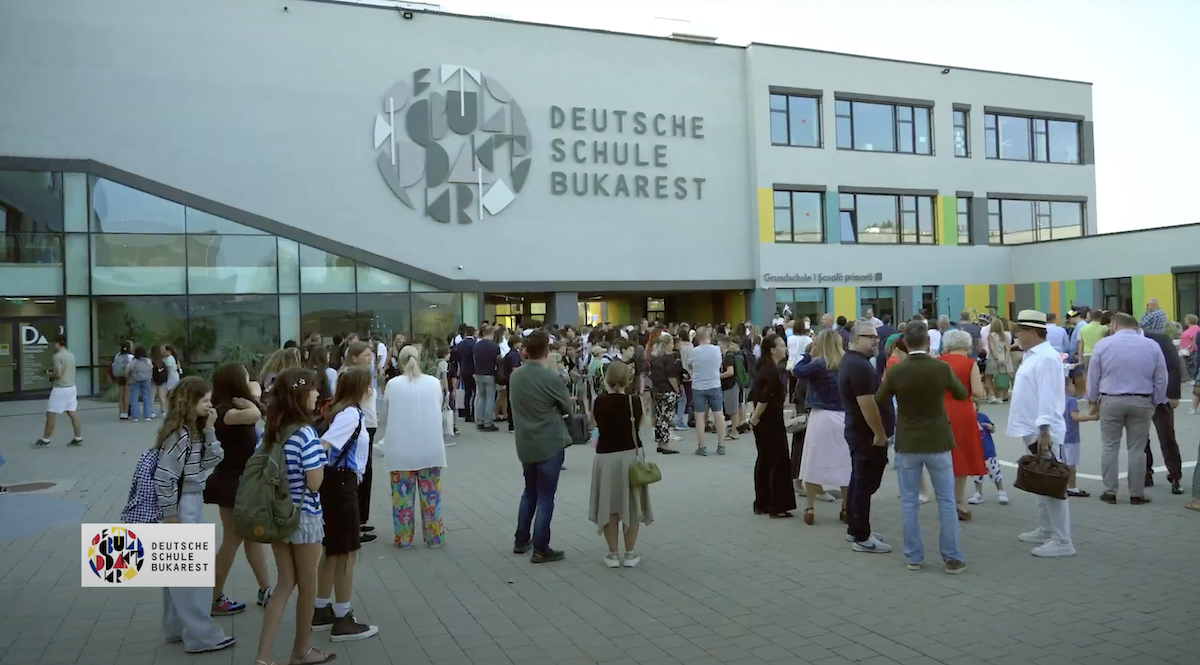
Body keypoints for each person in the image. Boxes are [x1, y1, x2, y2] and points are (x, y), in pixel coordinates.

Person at [254, 367, 335, 665]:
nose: (317, 394)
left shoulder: (270, 432)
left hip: (276, 515)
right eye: (312, 389)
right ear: (301, 395)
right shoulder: (306, 434)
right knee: (308, 585)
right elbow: (314, 483)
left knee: (284, 583)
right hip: (304, 517)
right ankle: (301, 651)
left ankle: (263, 657)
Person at [876, 321, 968, 574]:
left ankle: (913, 556)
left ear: (905, 343)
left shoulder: (897, 370)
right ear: (928, 341)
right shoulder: (940, 368)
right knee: (946, 500)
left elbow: (880, 398)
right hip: (938, 439)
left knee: (909, 502)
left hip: (908, 441)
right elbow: (961, 393)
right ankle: (952, 557)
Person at [151, 376, 233, 654]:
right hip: (183, 504)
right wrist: (171, 517)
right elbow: (164, 478)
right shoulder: (181, 435)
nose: (211, 405)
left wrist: (209, 429)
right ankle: (202, 636)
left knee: (177, 571)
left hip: (188, 501)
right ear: (190, 402)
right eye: (205, 400)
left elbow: (213, 459)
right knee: (191, 576)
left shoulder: (190, 431)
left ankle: (177, 628)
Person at [312, 366, 379, 641]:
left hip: (335, 483)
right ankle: (342, 617)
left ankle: (320, 610)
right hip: (342, 484)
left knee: (333, 550)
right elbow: (324, 444)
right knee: (347, 552)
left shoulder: (341, 410)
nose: (372, 389)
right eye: (368, 385)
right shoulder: (350, 414)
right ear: (360, 388)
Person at [204, 363, 271, 616]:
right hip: (234, 483)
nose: (249, 379)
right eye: (244, 376)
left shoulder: (231, 408)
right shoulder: (227, 412)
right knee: (232, 540)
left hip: (241, 481)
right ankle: (213, 597)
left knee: (251, 537)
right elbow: (256, 414)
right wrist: (253, 400)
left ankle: (265, 589)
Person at [1008, 310, 1076, 557]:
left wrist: (1044, 430)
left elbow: (1049, 396)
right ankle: (1047, 529)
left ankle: (1063, 541)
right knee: (1040, 479)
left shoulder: (1046, 358)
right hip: (1032, 428)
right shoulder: (1033, 355)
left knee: (1052, 483)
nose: (1016, 334)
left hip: (1042, 430)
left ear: (1033, 332)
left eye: (1020, 330)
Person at [1087, 312, 1166, 505]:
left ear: (1114, 325)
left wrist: (1092, 401)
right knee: (1137, 449)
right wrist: (1156, 400)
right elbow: (1161, 377)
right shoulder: (1151, 345)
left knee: (1109, 446)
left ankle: (1110, 491)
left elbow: (1093, 375)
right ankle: (1136, 493)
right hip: (1142, 400)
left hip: (1111, 400)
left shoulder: (1103, 345)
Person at [509, 331, 571, 563]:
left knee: (529, 491)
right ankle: (541, 547)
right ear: (546, 351)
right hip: (549, 441)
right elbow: (567, 407)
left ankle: (521, 539)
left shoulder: (516, 376)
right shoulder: (550, 377)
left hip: (525, 442)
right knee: (546, 496)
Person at [588, 360, 654, 567]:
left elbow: (593, 422)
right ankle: (631, 553)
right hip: (630, 457)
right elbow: (642, 424)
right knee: (632, 505)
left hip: (605, 458)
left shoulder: (599, 401)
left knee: (608, 506)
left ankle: (613, 553)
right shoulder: (634, 401)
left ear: (606, 379)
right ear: (628, 380)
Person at [383, 346, 448, 549]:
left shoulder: (393, 384)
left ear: (401, 362)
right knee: (431, 497)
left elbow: (387, 412)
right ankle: (434, 537)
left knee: (402, 500)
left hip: (400, 450)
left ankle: (404, 539)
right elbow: (440, 405)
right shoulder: (434, 383)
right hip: (430, 448)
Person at [840, 322, 894, 553]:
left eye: (876, 337)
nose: (875, 340)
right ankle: (862, 536)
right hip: (866, 433)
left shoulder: (856, 362)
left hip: (860, 431)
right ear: (855, 338)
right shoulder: (859, 366)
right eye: (870, 337)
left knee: (859, 480)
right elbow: (867, 403)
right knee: (865, 483)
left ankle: (856, 528)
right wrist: (879, 433)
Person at [793, 330, 852, 525]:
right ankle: (846, 508)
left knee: (813, 461)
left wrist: (808, 354)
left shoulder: (819, 364)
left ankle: (810, 507)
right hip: (843, 415)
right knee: (844, 462)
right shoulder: (847, 362)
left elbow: (797, 371)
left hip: (821, 416)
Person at [746, 333, 797, 519]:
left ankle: (763, 502)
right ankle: (777, 505)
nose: (785, 348)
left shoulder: (763, 368)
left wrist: (754, 417)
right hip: (770, 421)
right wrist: (755, 418)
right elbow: (764, 398)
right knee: (778, 461)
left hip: (764, 420)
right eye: (782, 345)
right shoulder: (772, 372)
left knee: (765, 460)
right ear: (773, 350)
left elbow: (752, 395)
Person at [939, 330, 987, 520]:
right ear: (967, 346)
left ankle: (944, 498)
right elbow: (978, 392)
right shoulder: (969, 363)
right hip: (962, 410)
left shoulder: (939, 362)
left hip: (940, 410)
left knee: (943, 456)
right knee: (961, 455)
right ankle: (958, 501)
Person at [340, 341, 379, 542]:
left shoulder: (363, 374)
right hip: (359, 426)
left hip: (368, 425)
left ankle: (361, 519)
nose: (370, 359)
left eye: (371, 355)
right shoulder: (350, 375)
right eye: (366, 355)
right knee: (360, 472)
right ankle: (355, 523)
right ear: (354, 358)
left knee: (366, 473)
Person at [1143, 327, 1184, 494]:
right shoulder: (1119, 341)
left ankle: (1175, 476)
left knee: (1166, 437)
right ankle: (1145, 473)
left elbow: (1174, 365)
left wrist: (1173, 394)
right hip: (1138, 396)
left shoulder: (1160, 339)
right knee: (1140, 438)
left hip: (1161, 396)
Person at [37, 335, 83, 446]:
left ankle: (45, 440)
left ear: (58, 343)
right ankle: (78, 438)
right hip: (72, 387)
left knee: (50, 413)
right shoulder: (71, 355)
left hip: (60, 388)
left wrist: (48, 374)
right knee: (72, 412)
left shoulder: (57, 356)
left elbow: (58, 374)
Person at [688, 327, 727, 456]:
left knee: (700, 416)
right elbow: (719, 365)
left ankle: (702, 447)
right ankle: (721, 445)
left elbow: (689, 365)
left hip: (698, 386)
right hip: (714, 385)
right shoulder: (716, 350)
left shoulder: (694, 351)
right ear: (709, 335)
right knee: (718, 415)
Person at [648, 333, 682, 453]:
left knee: (659, 416)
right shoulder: (669, 358)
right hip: (667, 390)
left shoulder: (655, 358)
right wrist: (677, 389)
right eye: (671, 343)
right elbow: (671, 376)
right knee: (667, 418)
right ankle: (665, 444)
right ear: (667, 344)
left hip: (657, 390)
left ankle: (659, 442)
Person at [969, 411, 1009, 505]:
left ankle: (1001, 491)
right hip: (975, 451)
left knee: (995, 471)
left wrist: (989, 427)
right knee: (977, 474)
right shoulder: (966, 417)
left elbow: (993, 429)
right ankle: (978, 493)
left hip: (988, 450)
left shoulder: (982, 416)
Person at [113, 340, 134, 420]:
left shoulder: (117, 356)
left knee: (121, 394)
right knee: (126, 394)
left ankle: (121, 412)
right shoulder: (130, 356)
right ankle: (126, 412)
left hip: (119, 376)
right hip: (127, 376)